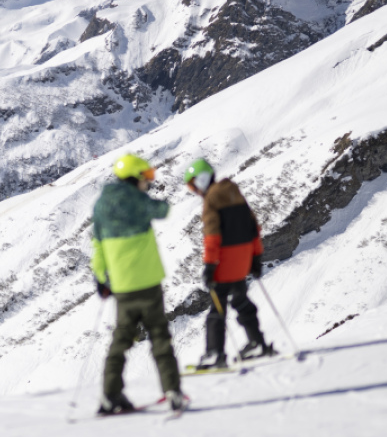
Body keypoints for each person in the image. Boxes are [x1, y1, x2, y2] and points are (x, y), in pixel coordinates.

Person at [90, 154, 185, 414]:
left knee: (121, 340)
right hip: (148, 283)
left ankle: (110, 395)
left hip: (122, 287)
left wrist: (101, 278)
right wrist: (149, 197)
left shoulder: (101, 205)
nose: (149, 182)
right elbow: (163, 210)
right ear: (135, 177)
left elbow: (98, 246)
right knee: (159, 337)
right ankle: (172, 390)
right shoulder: (138, 200)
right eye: (147, 177)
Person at [184, 158, 274, 368]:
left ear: (201, 179)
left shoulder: (211, 199)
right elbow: (253, 228)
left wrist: (209, 266)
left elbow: (212, 236)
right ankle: (257, 343)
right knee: (241, 301)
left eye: (193, 185)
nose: (195, 191)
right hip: (242, 261)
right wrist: (256, 258)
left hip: (224, 263)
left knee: (217, 308)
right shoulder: (235, 193)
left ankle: (215, 354)